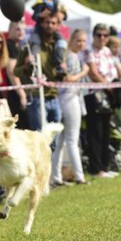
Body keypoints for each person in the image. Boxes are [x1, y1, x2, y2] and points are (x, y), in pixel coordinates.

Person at [83, 23, 121, 178]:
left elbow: (116, 69)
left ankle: (104, 165)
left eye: (105, 35)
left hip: (109, 95)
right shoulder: (89, 52)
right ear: (94, 35)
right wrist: (106, 84)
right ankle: (96, 168)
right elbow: (93, 72)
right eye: (99, 35)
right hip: (95, 94)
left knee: (106, 131)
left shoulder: (107, 52)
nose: (102, 38)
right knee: (95, 132)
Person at [50, 29, 89, 187]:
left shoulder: (68, 56)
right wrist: (84, 71)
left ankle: (56, 177)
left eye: (84, 41)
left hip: (63, 98)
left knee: (59, 141)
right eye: (78, 40)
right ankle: (79, 176)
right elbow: (69, 79)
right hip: (70, 99)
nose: (81, 44)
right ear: (71, 40)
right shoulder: (71, 57)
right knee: (72, 140)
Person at [14, 12, 62, 131]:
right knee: (39, 138)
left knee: (55, 138)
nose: (50, 25)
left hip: (54, 96)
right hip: (36, 97)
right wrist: (26, 65)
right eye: (47, 22)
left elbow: (63, 74)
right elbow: (16, 71)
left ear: (57, 26)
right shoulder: (29, 47)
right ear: (41, 24)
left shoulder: (58, 47)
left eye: (53, 23)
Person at [30, 0, 67, 78]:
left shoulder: (57, 2)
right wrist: (41, 15)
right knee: (35, 41)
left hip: (53, 30)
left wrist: (62, 15)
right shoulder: (40, 1)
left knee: (62, 42)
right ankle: (35, 64)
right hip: (40, 29)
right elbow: (34, 16)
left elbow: (65, 15)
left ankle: (59, 65)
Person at [5, 20, 28, 129]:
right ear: (9, 30)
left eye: (23, 29)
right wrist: (22, 95)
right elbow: (12, 72)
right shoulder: (10, 45)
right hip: (15, 95)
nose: (21, 32)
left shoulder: (17, 46)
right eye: (18, 29)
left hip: (17, 92)